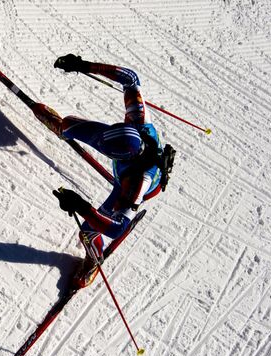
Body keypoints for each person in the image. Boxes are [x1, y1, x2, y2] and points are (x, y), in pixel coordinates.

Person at [40, 54, 175, 287]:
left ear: (119, 156)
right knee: (70, 124)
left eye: (107, 152)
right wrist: (84, 65)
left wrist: (82, 207)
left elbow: (116, 229)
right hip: (122, 148)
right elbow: (131, 79)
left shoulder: (136, 185)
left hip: (130, 180)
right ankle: (62, 129)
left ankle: (93, 260)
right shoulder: (138, 118)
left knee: (87, 232)